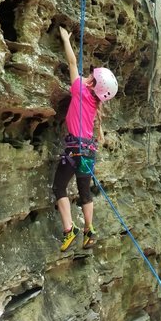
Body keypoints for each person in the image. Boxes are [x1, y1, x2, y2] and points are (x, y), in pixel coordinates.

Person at [53, 27, 118, 252]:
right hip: (89, 150)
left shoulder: (80, 89)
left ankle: (69, 229)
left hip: (75, 148)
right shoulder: (94, 101)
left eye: (92, 76)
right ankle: (89, 231)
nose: (88, 75)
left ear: (92, 83)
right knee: (84, 190)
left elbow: (72, 65)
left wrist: (65, 40)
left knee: (59, 186)